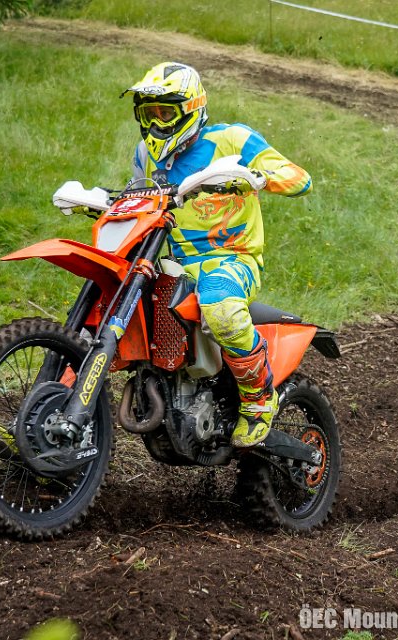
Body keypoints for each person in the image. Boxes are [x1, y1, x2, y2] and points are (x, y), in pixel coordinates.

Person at [122, 61, 312, 448]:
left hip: (231, 259)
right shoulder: (146, 154)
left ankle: (258, 399)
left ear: (190, 109)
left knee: (220, 307)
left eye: (165, 113)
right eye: (148, 114)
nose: (156, 124)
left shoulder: (232, 141)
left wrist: (257, 177)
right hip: (171, 263)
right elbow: (138, 195)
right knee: (113, 301)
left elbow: (300, 178)